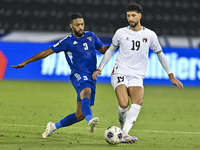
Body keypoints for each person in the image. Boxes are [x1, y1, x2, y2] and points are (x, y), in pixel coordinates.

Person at [92, 3, 184, 144]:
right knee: (123, 104)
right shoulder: (121, 33)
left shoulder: (150, 35)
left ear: (140, 16)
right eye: (128, 15)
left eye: (133, 15)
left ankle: (124, 133)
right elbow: (110, 50)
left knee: (138, 101)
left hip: (137, 75)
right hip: (120, 71)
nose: (131, 18)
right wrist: (100, 68)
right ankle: (123, 130)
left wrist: (171, 75)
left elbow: (160, 54)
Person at [12, 13, 109, 138]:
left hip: (92, 76)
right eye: (77, 25)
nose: (80, 27)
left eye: (82, 24)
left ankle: (53, 126)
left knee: (79, 114)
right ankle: (90, 121)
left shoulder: (91, 36)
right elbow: (47, 52)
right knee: (86, 92)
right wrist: (25, 62)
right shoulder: (67, 41)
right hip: (78, 74)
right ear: (71, 26)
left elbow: (103, 50)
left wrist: (117, 45)